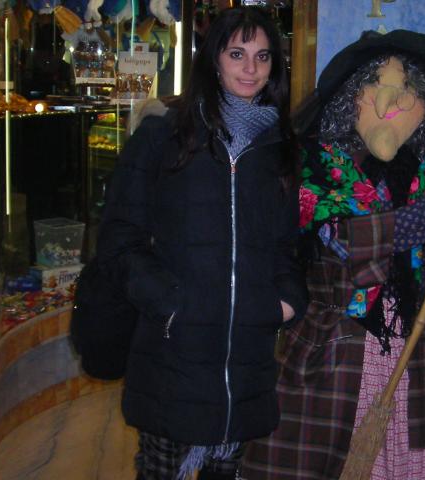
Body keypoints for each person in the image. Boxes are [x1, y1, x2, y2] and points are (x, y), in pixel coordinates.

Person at [240, 30, 425, 479]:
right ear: (351, 97)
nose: (388, 104)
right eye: (374, 87)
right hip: (332, 359)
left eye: (407, 91)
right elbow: (342, 238)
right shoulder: (314, 162)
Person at [89, 7, 307, 480]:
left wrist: (285, 301)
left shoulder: (279, 146)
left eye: (263, 56)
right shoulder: (162, 134)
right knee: (161, 470)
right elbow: (118, 237)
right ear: (214, 59)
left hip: (244, 351)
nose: (251, 69)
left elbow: (287, 243)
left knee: (226, 471)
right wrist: (169, 302)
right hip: (174, 346)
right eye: (237, 53)